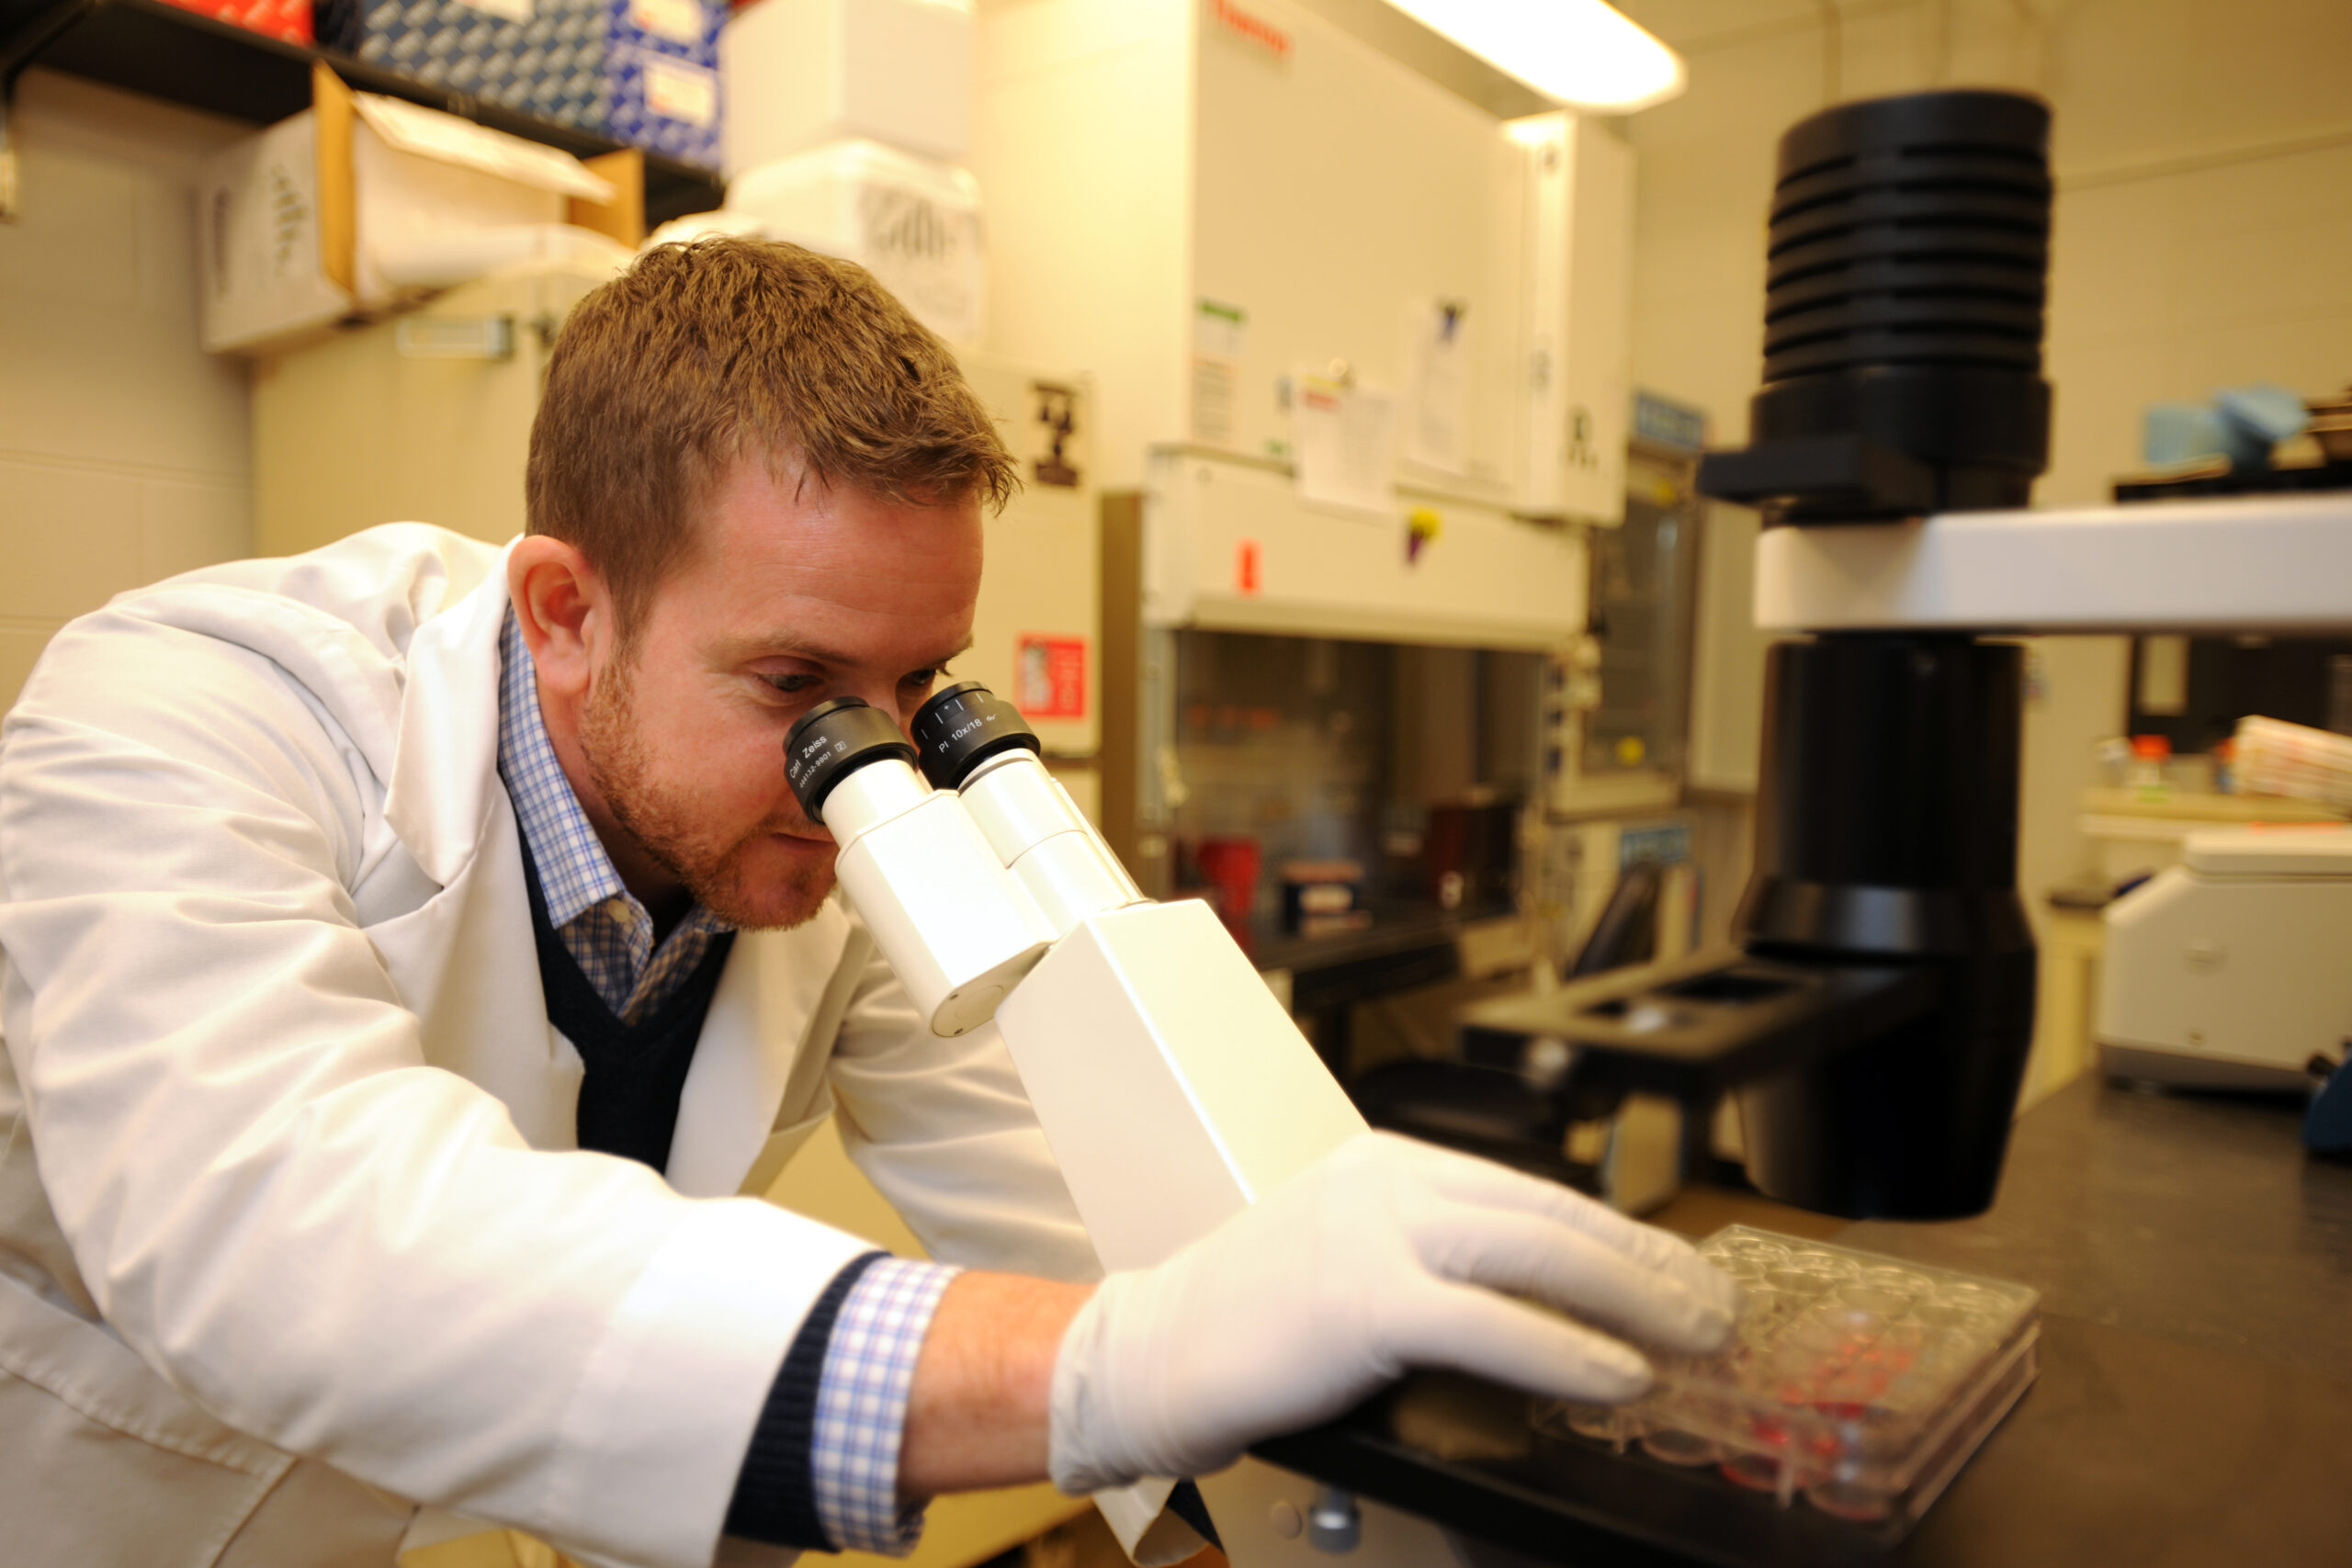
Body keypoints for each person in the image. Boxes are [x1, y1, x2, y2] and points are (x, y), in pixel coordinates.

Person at [0, 239, 1736, 1568]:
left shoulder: (832, 825)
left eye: (921, 684)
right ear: (565, 613)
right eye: (799, 686)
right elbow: (288, 1238)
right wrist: (1108, 1370)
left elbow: (1067, 1192)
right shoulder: (176, 720)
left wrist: (1254, 1503)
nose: (873, 763)